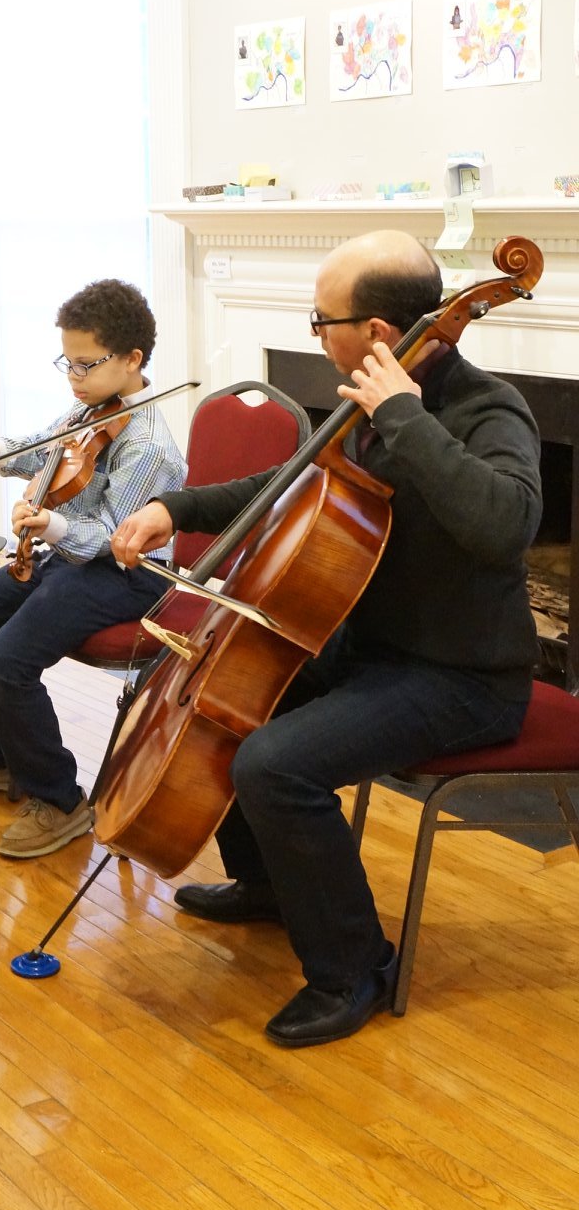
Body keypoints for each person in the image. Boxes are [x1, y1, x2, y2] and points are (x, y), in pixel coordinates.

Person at [112, 231, 542, 1047]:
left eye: (322, 319)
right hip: (373, 653)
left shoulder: (484, 408)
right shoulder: (363, 406)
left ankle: (355, 969)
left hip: (463, 676)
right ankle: (270, 886)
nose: (316, 334)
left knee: (275, 764)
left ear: (377, 331)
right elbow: (286, 484)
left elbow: (506, 526)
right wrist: (177, 507)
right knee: (227, 694)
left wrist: (405, 417)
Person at [0, 278, 187, 859]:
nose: (73, 377)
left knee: (6, 662)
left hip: (127, 576)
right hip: (66, 560)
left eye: (85, 365)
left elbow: (119, 542)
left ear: (132, 359)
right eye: (65, 364)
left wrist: (52, 527)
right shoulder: (90, 405)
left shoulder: (148, 445)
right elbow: (49, 448)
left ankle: (62, 801)